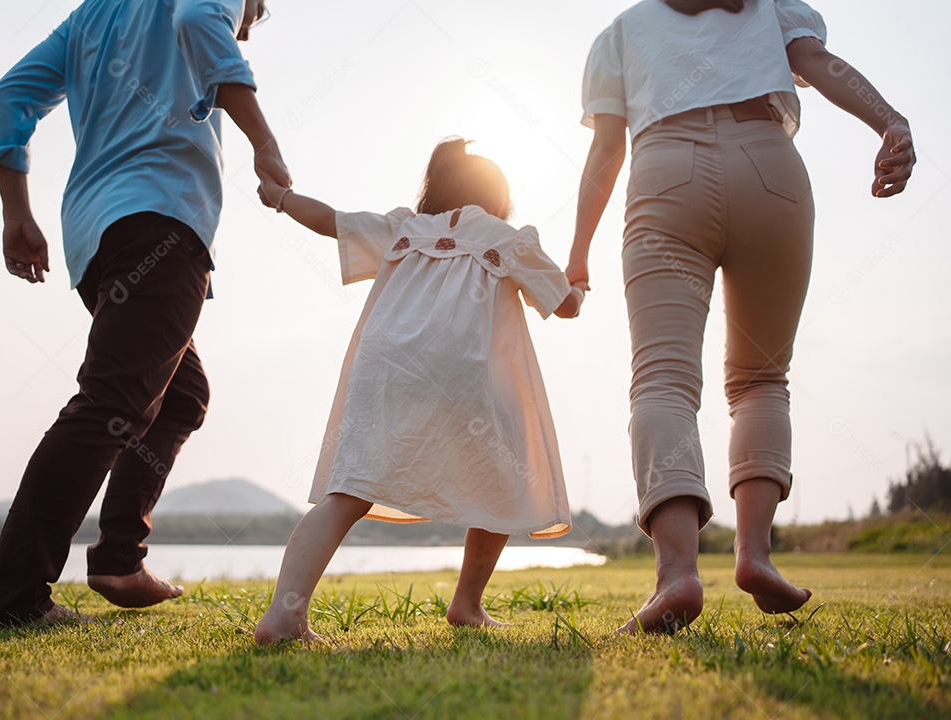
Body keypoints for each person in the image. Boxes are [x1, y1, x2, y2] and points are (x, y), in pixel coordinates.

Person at [567, 0, 916, 633]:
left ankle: (677, 573)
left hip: (666, 173)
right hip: (770, 169)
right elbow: (821, 63)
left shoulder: (621, 32)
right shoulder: (769, 7)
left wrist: (576, 255)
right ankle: (755, 555)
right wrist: (890, 121)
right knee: (761, 378)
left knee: (663, 379)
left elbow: (607, 150)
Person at [0, 0, 290, 631]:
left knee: (178, 396)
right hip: (162, 221)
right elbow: (200, 20)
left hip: (95, 234)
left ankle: (119, 558)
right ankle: (16, 598)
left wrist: (16, 213)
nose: (258, 14)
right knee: (111, 403)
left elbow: (7, 96)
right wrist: (265, 143)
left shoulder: (91, 16)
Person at [251, 138, 587, 643]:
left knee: (349, 489)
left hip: (385, 366)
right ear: (497, 198)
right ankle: (467, 604)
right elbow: (564, 304)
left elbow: (329, 219)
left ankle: (284, 614)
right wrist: (580, 285)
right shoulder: (509, 238)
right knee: (506, 473)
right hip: (465, 372)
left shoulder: (403, 227)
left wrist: (279, 197)